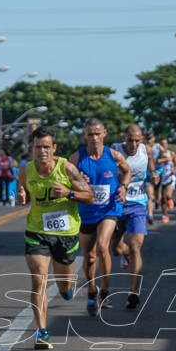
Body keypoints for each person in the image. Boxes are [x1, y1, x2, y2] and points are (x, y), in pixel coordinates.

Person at [17, 125, 93, 349]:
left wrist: (69, 193)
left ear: (54, 148)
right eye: (38, 147)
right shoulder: (24, 171)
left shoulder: (67, 169)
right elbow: (21, 195)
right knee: (39, 278)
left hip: (66, 233)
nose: (42, 151)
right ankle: (42, 332)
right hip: (37, 231)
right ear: (32, 148)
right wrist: (20, 197)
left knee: (64, 286)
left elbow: (89, 196)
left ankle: (66, 288)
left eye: (46, 147)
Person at [69, 118, 130, 316]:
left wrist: (123, 186)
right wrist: (77, 181)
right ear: (84, 135)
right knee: (90, 256)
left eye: (97, 134)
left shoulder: (113, 155)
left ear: (104, 133)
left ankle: (105, 290)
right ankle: (92, 289)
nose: (94, 138)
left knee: (103, 246)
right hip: (86, 211)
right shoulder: (77, 157)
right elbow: (64, 179)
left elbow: (127, 171)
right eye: (90, 134)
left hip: (109, 209)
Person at [111, 125, 157, 309]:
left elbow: (150, 164)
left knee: (136, 246)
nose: (133, 144)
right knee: (114, 250)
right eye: (130, 140)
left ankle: (133, 293)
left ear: (142, 140)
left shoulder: (145, 150)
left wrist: (154, 174)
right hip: (115, 205)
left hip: (137, 204)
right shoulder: (114, 150)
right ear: (124, 138)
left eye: (137, 140)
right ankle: (127, 254)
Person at [157, 138, 176, 221]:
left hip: (170, 177)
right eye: (162, 144)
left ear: (167, 145)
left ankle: (170, 199)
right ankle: (165, 215)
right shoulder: (157, 155)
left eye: (165, 144)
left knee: (167, 195)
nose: (164, 145)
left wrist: (175, 170)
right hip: (161, 178)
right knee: (161, 199)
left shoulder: (171, 154)